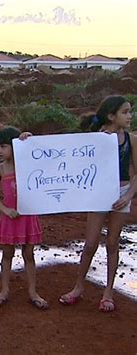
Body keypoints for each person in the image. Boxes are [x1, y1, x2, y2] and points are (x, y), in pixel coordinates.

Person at [59, 95, 136, 312]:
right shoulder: (95, 138)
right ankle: (78, 287)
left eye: (130, 111)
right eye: (125, 112)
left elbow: (135, 173)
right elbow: (66, 154)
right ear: (111, 116)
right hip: (98, 193)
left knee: (113, 243)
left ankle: (108, 292)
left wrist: (128, 196)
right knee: (90, 243)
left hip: (121, 193)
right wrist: (27, 140)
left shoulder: (132, 139)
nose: (130, 116)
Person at [0, 126, 48, 310]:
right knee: (7, 255)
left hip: (28, 217)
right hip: (10, 218)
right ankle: (4, 290)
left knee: (29, 255)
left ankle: (32, 292)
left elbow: (45, 158)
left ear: (15, 146)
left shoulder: (27, 165)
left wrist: (28, 140)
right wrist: (5, 210)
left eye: (3, 146)